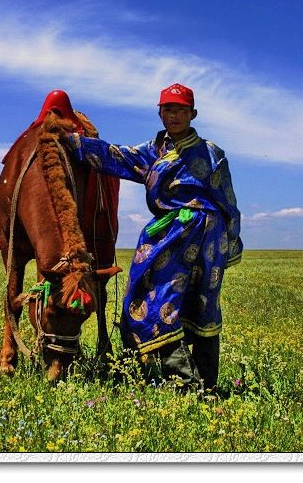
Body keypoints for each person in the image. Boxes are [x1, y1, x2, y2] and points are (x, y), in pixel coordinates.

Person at [64, 83, 242, 391]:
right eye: (168, 110)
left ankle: (203, 385)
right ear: (159, 113)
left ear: (193, 114)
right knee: (153, 298)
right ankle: (184, 381)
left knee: (202, 306)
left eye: (181, 111)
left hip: (206, 234)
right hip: (168, 234)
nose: (174, 117)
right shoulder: (152, 151)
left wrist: (231, 240)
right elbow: (117, 157)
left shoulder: (212, 154)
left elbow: (228, 201)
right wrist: (72, 143)